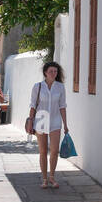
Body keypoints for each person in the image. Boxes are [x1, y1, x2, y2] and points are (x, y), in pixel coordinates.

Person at [26, 60, 68, 189]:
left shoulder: (60, 87)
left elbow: (62, 106)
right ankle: (44, 179)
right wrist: (30, 120)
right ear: (45, 72)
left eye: (55, 71)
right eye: (51, 71)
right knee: (43, 151)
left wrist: (65, 124)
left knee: (54, 150)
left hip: (55, 120)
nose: (54, 73)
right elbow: (33, 105)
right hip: (41, 120)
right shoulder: (38, 86)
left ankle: (52, 177)